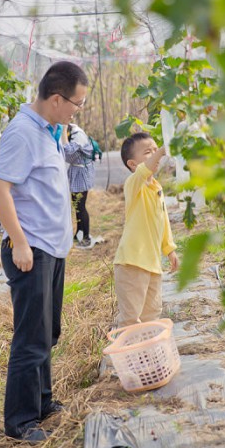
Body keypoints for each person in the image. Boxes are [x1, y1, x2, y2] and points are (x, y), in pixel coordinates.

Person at [0, 61, 88, 443]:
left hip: (52, 247)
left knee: (48, 332)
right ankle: (20, 421)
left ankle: (43, 402)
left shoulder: (50, 130)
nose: (77, 111)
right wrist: (19, 242)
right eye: (76, 104)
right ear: (57, 99)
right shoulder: (22, 133)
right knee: (30, 338)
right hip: (32, 250)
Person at [113, 132, 179, 328]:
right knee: (131, 317)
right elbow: (144, 171)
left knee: (152, 314)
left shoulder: (156, 187)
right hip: (131, 264)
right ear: (133, 164)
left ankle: (147, 355)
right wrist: (160, 151)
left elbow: (163, 221)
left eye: (155, 149)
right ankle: (126, 355)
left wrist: (170, 249)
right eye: (147, 152)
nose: (154, 155)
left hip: (152, 264)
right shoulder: (134, 184)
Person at [63, 123, 97, 248]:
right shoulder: (72, 132)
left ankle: (87, 237)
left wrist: (63, 130)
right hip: (76, 171)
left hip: (82, 173)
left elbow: (68, 150)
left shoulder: (77, 134)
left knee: (81, 206)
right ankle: (79, 233)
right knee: (76, 204)